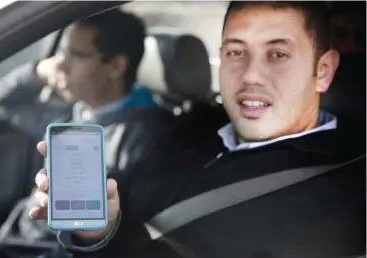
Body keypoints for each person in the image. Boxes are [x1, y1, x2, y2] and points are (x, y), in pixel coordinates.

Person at [29, 2, 366, 257]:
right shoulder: (194, 124)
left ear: (323, 70)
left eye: (277, 54)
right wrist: (97, 231)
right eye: (236, 52)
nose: (250, 75)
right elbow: (129, 221)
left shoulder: (342, 197)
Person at [0, 9, 177, 245]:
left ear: (116, 66)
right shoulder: (71, 111)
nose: (62, 65)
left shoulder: (145, 138)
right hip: (13, 240)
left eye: (76, 55)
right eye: (63, 53)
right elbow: (3, 101)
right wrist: (39, 70)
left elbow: (120, 231)